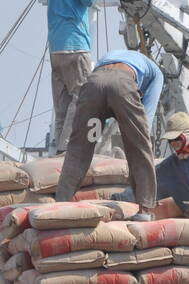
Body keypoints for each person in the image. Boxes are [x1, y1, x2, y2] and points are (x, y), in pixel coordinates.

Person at [54, 49, 162, 215]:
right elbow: (145, 121)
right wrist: (131, 132)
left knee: (80, 148)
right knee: (139, 148)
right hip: (122, 85)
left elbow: (103, 99)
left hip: (93, 86)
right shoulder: (156, 74)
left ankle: (61, 202)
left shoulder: (114, 56)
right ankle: (145, 208)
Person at [46, 0, 100, 152]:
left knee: (62, 104)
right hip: (75, 44)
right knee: (82, 97)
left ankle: (59, 148)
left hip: (56, 46)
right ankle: (67, 148)